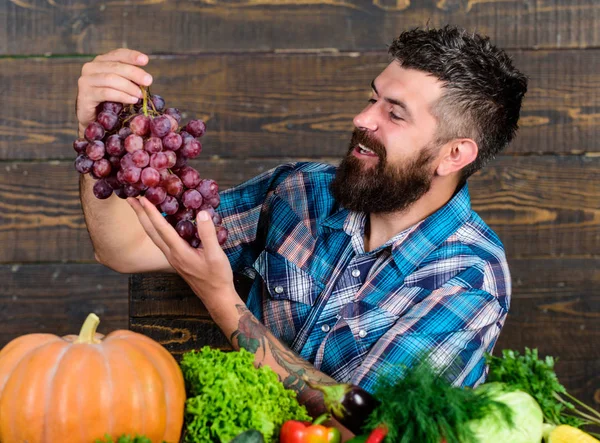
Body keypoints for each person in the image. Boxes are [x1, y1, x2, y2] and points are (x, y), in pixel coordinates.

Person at [76, 25, 528, 428]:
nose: (363, 118)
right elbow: (124, 248)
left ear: (455, 155)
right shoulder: (300, 192)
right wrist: (98, 127)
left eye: (394, 113)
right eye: (373, 98)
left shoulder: (470, 278)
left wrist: (222, 301)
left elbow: (371, 427)